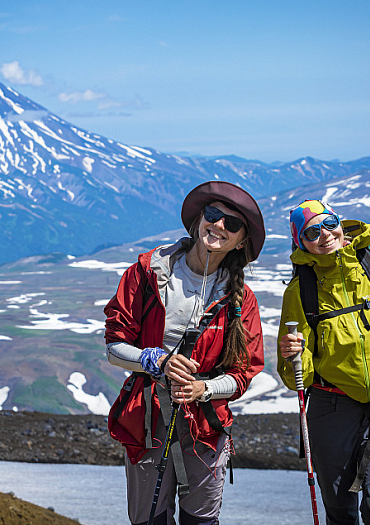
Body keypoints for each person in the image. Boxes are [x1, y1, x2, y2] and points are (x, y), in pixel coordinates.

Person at [104, 181, 266, 525]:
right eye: (213, 215)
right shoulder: (147, 274)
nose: (219, 226)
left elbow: (243, 373)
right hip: (147, 419)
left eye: (232, 225)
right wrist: (157, 361)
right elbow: (115, 348)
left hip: (205, 427)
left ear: (241, 241)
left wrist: (202, 389)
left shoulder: (243, 300)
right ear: (198, 220)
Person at [277, 200, 370, 525]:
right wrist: (293, 357)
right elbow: (295, 379)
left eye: (328, 223)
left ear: (340, 223)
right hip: (330, 412)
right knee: (341, 514)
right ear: (301, 243)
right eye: (311, 232)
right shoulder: (299, 291)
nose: (324, 234)